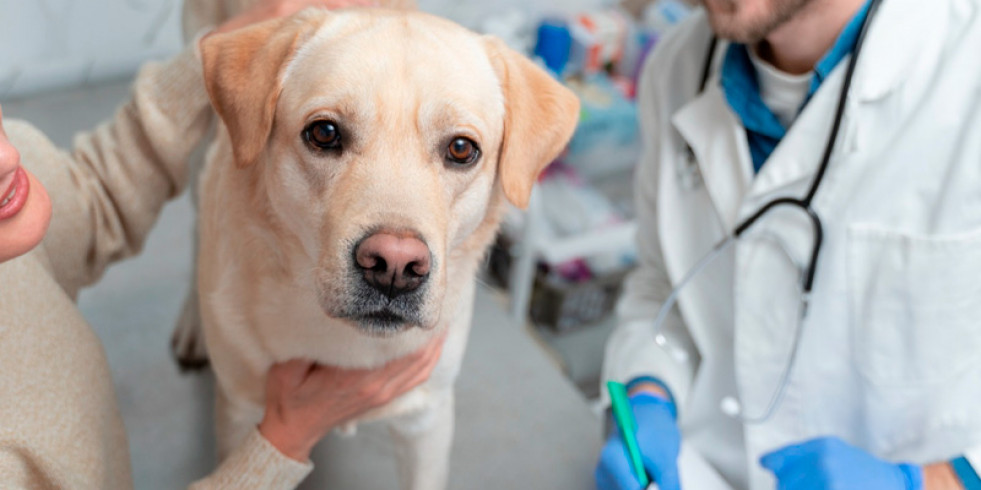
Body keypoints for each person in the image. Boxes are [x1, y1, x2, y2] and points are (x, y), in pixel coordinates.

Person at [0, 0, 443, 488]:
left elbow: (92, 192)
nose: (6, 156)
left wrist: (230, 45)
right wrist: (284, 438)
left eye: (459, 150)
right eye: (326, 133)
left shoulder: (16, 182)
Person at [596, 0, 981, 489]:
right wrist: (649, 389)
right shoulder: (677, 67)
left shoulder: (966, 63)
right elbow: (661, 285)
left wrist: (925, 482)